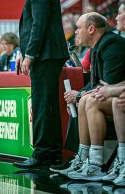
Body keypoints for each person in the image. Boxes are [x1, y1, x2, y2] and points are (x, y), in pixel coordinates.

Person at [13, 0, 69, 168]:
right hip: (46, 55)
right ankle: (51, 152)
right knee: (47, 104)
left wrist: (30, 55)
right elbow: (32, 27)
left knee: (43, 104)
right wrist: (22, 51)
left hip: (45, 55)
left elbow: (39, 26)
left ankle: (43, 154)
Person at [53, 12, 125, 181]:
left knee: (89, 100)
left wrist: (79, 95)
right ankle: (84, 158)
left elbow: (108, 84)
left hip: (118, 95)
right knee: (85, 99)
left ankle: (95, 164)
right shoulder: (96, 47)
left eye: (78, 28)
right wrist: (78, 96)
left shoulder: (112, 44)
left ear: (91, 29)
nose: (76, 32)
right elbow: (94, 84)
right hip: (116, 95)